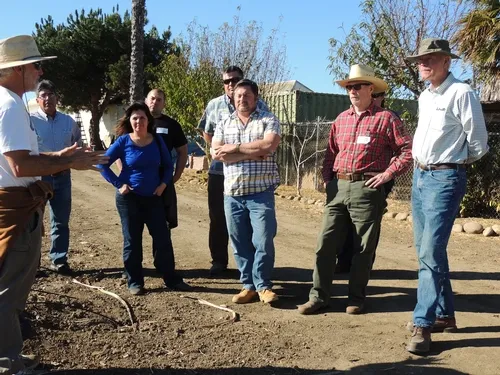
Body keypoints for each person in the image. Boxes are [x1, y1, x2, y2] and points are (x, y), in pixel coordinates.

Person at [0, 34, 108, 374]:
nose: (40, 70)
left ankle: (10, 356)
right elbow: (21, 166)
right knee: (8, 291)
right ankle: (7, 363)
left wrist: (58, 155)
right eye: (36, 64)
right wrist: (68, 164)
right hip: (15, 209)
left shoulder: (8, 103)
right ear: (19, 69)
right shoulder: (11, 106)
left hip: (17, 205)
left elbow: (19, 159)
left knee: (10, 287)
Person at [297, 64, 413, 315]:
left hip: (366, 188)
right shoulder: (341, 119)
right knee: (325, 244)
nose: (352, 90)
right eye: (349, 86)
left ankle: (356, 298)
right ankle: (318, 296)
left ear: (371, 89)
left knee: (363, 248)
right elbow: (330, 153)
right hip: (338, 187)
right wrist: (328, 180)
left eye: (357, 86)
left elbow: (407, 151)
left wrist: (387, 175)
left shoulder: (386, 118)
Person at [405, 38, 489, 354]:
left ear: (446, 62)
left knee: (429, 250)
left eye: (430, 58)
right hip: (419, 176)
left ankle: (423, 324)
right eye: (420, 59)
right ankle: (444, 314)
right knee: (427, 250)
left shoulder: (462, 93)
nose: (423, 63)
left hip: (445, 178)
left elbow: (479, 144)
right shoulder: (425, 96)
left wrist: (452, 163)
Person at [99, 102, 191, 295]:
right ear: (130, 121)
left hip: (153, 198)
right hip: (129, 199)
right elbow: (103, 164)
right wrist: (119, 184)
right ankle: (135, 281)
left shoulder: (156, 141)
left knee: (163, 239)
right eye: (135, 118)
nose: (138, 121)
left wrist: (163, 185)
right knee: (132, 240)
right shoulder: (123, 141)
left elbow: (167, 166)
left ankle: (171, 279)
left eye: (142, 118)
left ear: (148, 120)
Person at [212, 79, 280, 304]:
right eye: (238, 95)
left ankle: (263, 286)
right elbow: (217, 153)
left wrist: (236, 149)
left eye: (247, 95)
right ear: (233, 98)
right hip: (232, 194)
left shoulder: (268, 120)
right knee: (239, 242)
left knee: (262, 239)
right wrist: (253, 151)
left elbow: (269, 145)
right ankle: (248, 286)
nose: (242, 99)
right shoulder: (224, 122)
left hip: (261, 193)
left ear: (256, 97)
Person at [198, 66, 269, 276]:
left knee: (251, 222)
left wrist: (236, 152)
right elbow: (207, 132)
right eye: (227, 81)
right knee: (218, 218)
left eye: (234, 80)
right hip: (220, 171)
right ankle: (219, 261)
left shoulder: (259, 104)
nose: (230, 84)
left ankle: (255, 268)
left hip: (251, 173)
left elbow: (266, 140)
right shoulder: (214, 105)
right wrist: (222, 150)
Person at [335, 89, 396, 274]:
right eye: (374, 95)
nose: (376, 98)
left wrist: (387, 173)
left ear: (383, 97)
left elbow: (402, 150)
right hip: (347, 183)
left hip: (375, 181)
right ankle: (344, 262)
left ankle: (364, 264)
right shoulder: (346, 117)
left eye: (378, 95)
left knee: (369, 227)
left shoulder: (389, 118)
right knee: (344, 224)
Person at [30, 80, 82, 275]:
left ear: (57, 98)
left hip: (62, 177)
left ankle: (59, 260)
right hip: (38, 178)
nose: (47, 98)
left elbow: (78, 143)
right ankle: (32, 264)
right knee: (34, 222)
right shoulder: (30, 121)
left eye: (51, 94)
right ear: (37, 99)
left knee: (60, 221)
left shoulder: (68, 121)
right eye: (43, 95)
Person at [145, 88, 188, 229]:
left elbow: (182, 151)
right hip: (139, 180)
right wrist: (123, 175)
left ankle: (162, 251)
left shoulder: (172, 125)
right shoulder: (136, 122)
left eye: (159, 100)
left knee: (162, 228)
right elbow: (119, 150)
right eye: (152, 98)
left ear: (164, 104)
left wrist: (176, 176)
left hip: (163, 181)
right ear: (146, 100)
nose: (154, 102)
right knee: (135, 229)